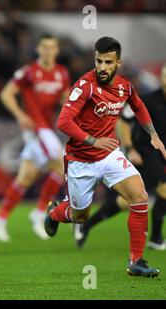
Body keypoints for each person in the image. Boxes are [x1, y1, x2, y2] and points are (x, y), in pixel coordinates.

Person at [44, 36, 166, 277]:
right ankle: (54, 213)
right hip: (80, 160)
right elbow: (63, 121)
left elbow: (139, 106)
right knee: (80, 216)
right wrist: (93, 139)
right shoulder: (85, 86)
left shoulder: (124, 86)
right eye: (98, 61)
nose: (101, 67)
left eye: (108, 62)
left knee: (139, 196)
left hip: (109, 155)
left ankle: (136, 261)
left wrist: (153, 135)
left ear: (118, 62)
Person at [0, 34, 70, 242]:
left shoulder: (62, 73)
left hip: (47, 128)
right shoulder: (29, 72)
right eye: (44, 47)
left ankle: (0, 218)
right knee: (61, 166)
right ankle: (40, 211)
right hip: (35, 128)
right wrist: (21, 116)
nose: (48, 51)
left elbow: (66, 99)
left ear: (56, 50)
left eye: (52, 47)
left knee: (26, 176)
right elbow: (6, 93)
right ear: (38, 50)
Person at [74, 63, 166, 251]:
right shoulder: (148, 99)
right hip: (144, 152)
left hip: (161, 153)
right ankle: (156, 238)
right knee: (164, 189)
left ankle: (87, 224)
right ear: (161, 78)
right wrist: (130, 148)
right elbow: (124, 122)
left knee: (128, 201)